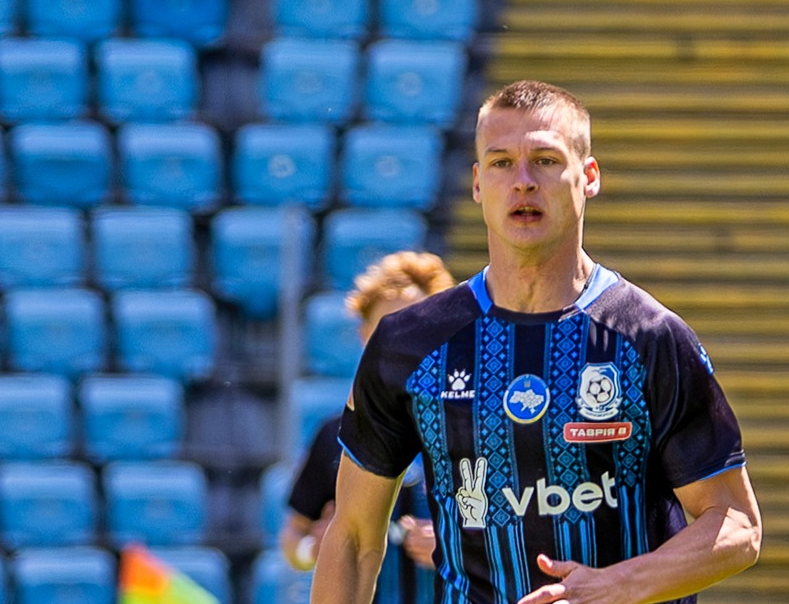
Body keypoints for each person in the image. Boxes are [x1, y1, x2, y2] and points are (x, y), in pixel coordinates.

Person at [312, 80, 762, 604]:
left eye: (545, 161)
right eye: (501, 163)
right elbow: (352, 539)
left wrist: (615, 587)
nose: (522, 182)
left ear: (588, 177)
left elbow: (737, 525)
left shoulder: (650, 338)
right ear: (477, 183)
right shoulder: (408, 345)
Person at [280, 251, 455, 596]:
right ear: (364, 334)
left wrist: (454, 547)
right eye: (390, 329)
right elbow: (292, 538)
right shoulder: (336, 435)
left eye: (419, 328)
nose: (404, 343)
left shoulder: (473, 429)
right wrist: (311, 550)